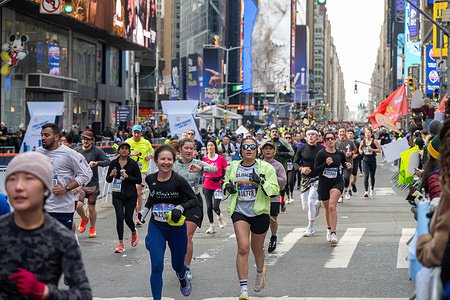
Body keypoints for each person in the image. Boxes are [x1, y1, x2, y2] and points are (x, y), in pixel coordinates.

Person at [0, 152, 92, 299]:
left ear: (45, 188)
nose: (19, 187)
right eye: (12, 179)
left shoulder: (62, 238)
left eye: (28, 180)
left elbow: (83, 294)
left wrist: (43, 292)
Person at [138, 145, 198, 300]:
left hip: (176, 229)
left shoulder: (179, 180)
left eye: (169, 159)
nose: (166, 162)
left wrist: (181, 207)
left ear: (174, 160)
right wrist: (145, 210)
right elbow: (152, 196)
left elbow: (194, 199)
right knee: (156, 267)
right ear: (156, 161)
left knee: (177, 265)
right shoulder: (151, 179)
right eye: (163, 159)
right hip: (156, 227)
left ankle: (182, 274)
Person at [223, 137, 279, 300]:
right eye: (245, 146)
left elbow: (275, 189)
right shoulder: (233, 167)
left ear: (257, 150)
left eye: (252, 147)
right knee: (243, 248)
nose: (248, 149)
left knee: (257, 249)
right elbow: (226, 185)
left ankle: (260, 272)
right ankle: (243, 290)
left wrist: (260, 182)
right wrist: (227, 187)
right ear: (240, 150)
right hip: (239, 211)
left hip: (260, 212)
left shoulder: (265, 167)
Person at [173, 138, 218, 280]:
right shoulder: (174, 166)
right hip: (177, 204)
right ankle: (179, 263)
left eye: (191, 148)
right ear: (180, 150)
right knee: (177, 239)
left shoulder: (198, 163)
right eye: (186, 148)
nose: (188, 151)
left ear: (194, 151)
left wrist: (201, 169)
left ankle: (186, 268)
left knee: (187, 236)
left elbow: (215, 169)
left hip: (194, 203)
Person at [36, 123, 92, 231]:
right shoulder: (38, 152)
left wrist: (66, 188)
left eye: (46, 135)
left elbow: (86, 174)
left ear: (56, 137)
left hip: (62, 209)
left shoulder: (69, 154)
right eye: (42, 135)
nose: (43, 138)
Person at [314, 132, 352, 245]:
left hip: (337, 181)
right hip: (324, 183)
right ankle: (329, 229)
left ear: (335, 140)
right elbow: (316, 170)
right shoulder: (321, 154)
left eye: (332, 138)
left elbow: (344, 164)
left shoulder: (340, 154)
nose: (330, 140)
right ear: (325, 141)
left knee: (332, 206)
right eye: (328, 139)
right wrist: (325, 164)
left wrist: (347, 166)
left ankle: (334, 233)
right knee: (326, 208)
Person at [105, 142, 142, 253]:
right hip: (117, 195)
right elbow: (108, 180)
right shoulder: (114, 163)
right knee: (119, 217)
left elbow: (139, 180)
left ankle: (133, 231)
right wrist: (111, 174)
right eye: (122, 148)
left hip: (130, 195)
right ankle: (120, 244)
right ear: (119, 150)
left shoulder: (133, 164)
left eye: (126, 148)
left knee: (127, 219)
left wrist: (127, 177)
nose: (124, 150)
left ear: (129, 151)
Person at [74, 131, 111, 238]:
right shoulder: (77, 151)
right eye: (84, 139)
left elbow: (107, 161)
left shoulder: (97, 151)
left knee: (91, 208)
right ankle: (84, 219)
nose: (86, 141)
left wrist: (97, 163)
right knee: (78, 205)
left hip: (93, 184)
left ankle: (92, 228)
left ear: (92, 140)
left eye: (88, 139)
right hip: (80, 183)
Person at [293, 128, 324, 237]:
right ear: (306, 136)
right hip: (304, 178)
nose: (311, 136)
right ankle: (316, 205)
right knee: (304, 206)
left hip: (317, 178)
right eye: (308, 134)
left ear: (317, 137)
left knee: (311, 200)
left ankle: (310, 227)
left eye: (313, 135)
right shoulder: (302, 148)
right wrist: (301, 169)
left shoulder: (321, 149)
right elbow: (295, 162)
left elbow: (326, 163)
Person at [259, 126, 294, 212]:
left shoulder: (283, 142)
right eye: (272, 132)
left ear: (279, 133)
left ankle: (281, 201)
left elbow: (291, 153)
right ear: (270, 134)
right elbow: (259, 152)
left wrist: (280, 154)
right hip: (267, 167)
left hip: (280, 167)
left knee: (281, 186)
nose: (274, 133)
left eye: (276, 131)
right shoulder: (266, 142)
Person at [126, 124, 154, 226]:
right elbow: (120, 152)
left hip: (142, 170)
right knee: (132, 193)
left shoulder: (146, 142)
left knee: (138, 191)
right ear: (132, 133)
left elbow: (153, 151)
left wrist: (150, 156)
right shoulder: (128, 142)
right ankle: (136, 211)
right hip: (129, 170)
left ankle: (138, 216)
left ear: (141, 133)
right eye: (135, 132)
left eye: (138, 132)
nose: (137, 134)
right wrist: (131, 153)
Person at [261, 141, 286, 253]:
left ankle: (274, 236)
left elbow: (283, 181)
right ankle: (260, 242)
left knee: (273, 220)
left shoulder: (278, 165)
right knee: (261, 221)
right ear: (262, 151)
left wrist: (271, 177)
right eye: (265, 148)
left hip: (273, 198)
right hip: (261, 197)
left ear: (274, 152)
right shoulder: (258, 164)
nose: (267, 150)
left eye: (270, 149)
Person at [202, 139, 228, 234]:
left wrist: (223, 179)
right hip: (207, 185)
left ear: (215, 147)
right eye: (208, 145)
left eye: (212, 145)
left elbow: (227, 169)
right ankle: (212, 226)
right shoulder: (204, 160)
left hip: (218, 186)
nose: (210, 147)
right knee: (209, 207)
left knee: (215, 207)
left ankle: (220, 217)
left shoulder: (220, 158)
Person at [335, 127, 357, 202]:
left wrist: (351, 153)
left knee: (347, 178)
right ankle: (340, 195)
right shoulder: (336, 142)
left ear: (345, 133)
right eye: (340, 132)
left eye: (343, 132)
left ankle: (346, 190)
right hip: (338, 163)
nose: (342, 133)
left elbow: (355, 149)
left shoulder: (350, 141)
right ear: (338, 133)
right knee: (339, 180)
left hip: (348, 163)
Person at [358, 128, 382, 198]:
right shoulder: (363, 142)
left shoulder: (375, 141)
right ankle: (366, 191)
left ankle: (372, 188)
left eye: (369, 132)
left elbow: (379, 150)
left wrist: (372, 149)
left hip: (372, 160)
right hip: (365, 160)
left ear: (371, 134)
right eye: (366, 133)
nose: (367, 134)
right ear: (365, 134)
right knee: (366, 175)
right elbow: (359, 148)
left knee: (372, 175)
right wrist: (360, 151)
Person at [283, 132, 298, 203]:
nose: (288, 139)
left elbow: (297, 155)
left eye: (289, 138)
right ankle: (287, 196)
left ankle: (291, 194)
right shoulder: (282, 146)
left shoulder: (294, 146)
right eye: (286, 138)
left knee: (290, 181)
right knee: (285, 182)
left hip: (292, 165)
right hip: (284, 165)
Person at [347, 129, 361, 193]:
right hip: (348, 161)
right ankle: (349, 189)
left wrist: (356, 155)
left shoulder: (357, 143)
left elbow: (360, 152)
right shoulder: (345, 143)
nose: (350, 135)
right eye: (349, 133)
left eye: (351, 133)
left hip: (355, 161)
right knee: (349, 175)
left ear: (353, 135)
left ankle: (353, 183)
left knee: (354, 176)